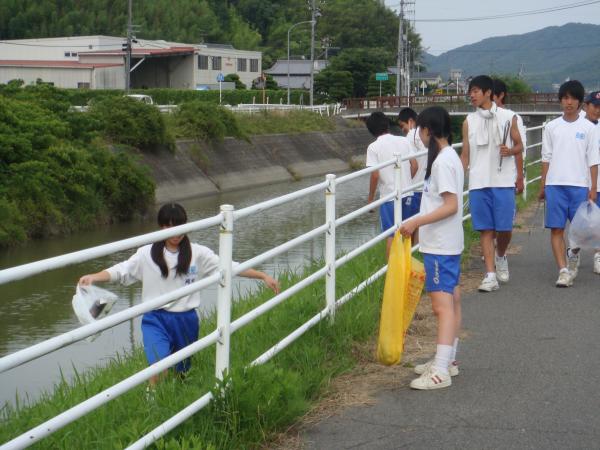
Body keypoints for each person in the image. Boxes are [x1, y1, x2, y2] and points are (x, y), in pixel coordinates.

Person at [79, 203, 280, 386]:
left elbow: (229, 266)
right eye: (169, 226)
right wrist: (95, 277)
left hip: (186, 320)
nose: (176, 232)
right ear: (161, 227)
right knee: (159, 363)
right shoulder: (145, 253)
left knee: (181, 372)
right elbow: (121, 270)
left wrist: (262, 275)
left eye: (180, 225)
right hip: (155, 319)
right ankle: (154, 403)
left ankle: (176, 399)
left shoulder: (197, 253)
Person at [400, 106, 464, 390]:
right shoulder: (446, 158)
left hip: (441, 245)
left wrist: (416, 221)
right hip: (444, 242)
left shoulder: (443, 162)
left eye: (420, 130)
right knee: (452, 301)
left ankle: (440, 370)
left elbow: (451, 206)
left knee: (442, 307)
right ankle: (447, 359)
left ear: (428, 130)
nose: (419, 136)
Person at [460, 75, 523, 292]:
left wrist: (510, 150)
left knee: (504, 228)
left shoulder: (508, 117)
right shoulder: (469, 121)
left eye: (476, 91)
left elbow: (519, 145)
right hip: (478, 182)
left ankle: (501, 255)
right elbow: (465, 155)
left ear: (488, 92)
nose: (472, 95)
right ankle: (489, 275)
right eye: (471, 91)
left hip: (503, 181)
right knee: (485, 229)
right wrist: (459, 177)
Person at [538, 81, 599, 287]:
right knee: (556, 229)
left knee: (580, 231)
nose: (569, 102)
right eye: (565, 98)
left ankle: (572, 253)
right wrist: (543, 185)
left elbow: (593, 160)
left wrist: (593, 188)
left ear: (581, 102)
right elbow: (546, 157)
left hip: (579, 186)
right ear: (560, 100)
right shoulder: (551, 127)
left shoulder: (589, 128)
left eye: (573, 98)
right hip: (555, 185)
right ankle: (563, 271)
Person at [366, 111, 417, 258]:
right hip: (407, 193)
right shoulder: (404, 141)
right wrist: (406, 181)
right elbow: (414, 166)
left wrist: (370, 199)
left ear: (371, 130)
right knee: (406, 232)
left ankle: (390, 272)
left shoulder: (373, 147)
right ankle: (407, 265)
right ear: (387, 124)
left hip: (389, 197)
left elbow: (375, 174)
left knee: (391, 234)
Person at [398, 108, 428, 244]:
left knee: (409, 226)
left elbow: (413, 166)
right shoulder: (427, 134)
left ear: (410, 121)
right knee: (420, 223)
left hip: (414, 189)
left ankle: (409, 255)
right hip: (425, 187)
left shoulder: (410, 137)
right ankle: (417, 252)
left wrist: (406, 182)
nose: (402, 129)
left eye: (402, 125)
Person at [581, 91, 600, 274]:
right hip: (579, 182)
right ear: (586, 105)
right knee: (580, 221)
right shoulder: (577, 125)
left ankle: (598, 255)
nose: (597, 110)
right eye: (595, 106)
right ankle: (574, 251)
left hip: (598, 182)